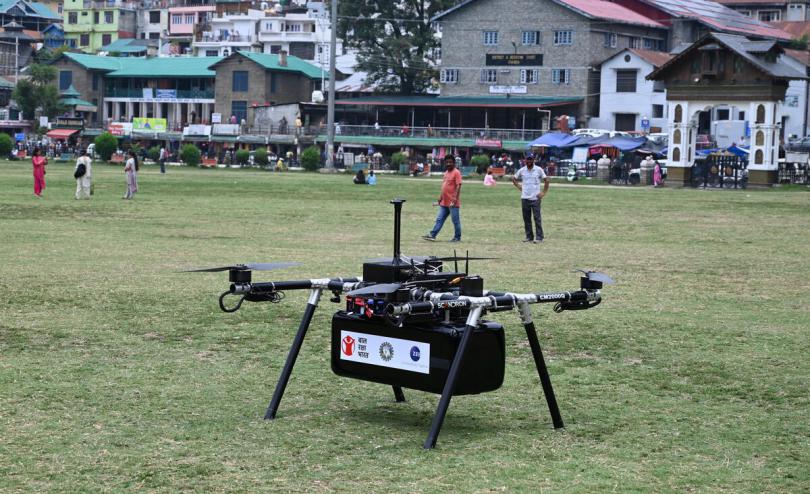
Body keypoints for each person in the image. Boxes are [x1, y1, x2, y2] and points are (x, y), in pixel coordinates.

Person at [423, 155, 462, 242]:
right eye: (447, 162)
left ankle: (457, 237)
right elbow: (444, 186)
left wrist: (455, 199)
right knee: (439, 219)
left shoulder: (456, 172)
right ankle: (432, 235)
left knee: (455, 221)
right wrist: (440, 198)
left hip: (453, 203)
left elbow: (459, 186)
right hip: (444, 202)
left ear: (454, 163)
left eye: (450, 162)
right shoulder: (446, 173)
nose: (448, 164)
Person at [512, 155, 549, 244]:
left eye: (530, 159)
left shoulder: (538, 169)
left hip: (535, 198)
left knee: (537, 218)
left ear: (533, 160)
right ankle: (529, 237)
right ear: (525, 160)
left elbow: (546, 180)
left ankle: (539, 237)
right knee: (526, 219)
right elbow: (514, 178)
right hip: (525, 198)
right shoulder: (522, 170)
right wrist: (519, 186)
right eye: (527, 159)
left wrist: (543, 192)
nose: (529, 161)